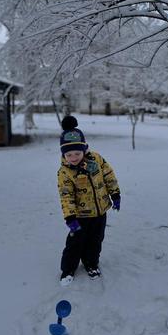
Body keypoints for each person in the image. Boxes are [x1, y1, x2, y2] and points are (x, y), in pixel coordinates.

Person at [57, 115, 121, 286]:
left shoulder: (96, 160)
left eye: (77, 153)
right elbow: (66, 195)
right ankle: (68, 269)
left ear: (84, 149)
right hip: (80, 216)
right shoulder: (65, 172)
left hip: (100, 212)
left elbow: (109, 176)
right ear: (64, 154)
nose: (73, 157)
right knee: (75, 243)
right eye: (68, 154)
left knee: (95, 240)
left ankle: (91, 263)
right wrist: (70, 217)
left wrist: (115, 194)